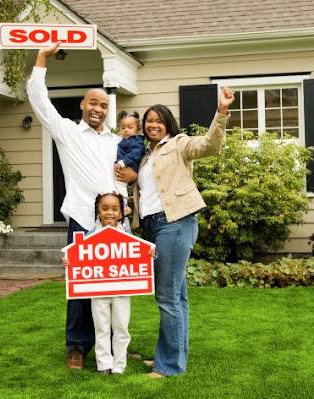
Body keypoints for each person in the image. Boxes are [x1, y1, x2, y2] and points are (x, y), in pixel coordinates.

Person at [26, 43, 137, 370]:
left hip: (117, 224)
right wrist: (42, 58)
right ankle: (77, 346)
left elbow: (126, 178)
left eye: (104, 104)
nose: (99, 109)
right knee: (81, 288)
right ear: (82, 105)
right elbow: (40, 102)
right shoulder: (68, 133)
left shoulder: (117, 142)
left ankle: (118, 351)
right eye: (93, 103)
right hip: (82, 221)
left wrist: (128, 193)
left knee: (117, 289)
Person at [132, 88, 235, 378]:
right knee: (177, 296)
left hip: (175, 222)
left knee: (167, 297)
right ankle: (173, 355)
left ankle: (170, 365)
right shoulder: (145, 156)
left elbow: (209, 146)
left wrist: (222, 113)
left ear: (168, 124)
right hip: (153, 226)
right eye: (148, 121)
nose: (153, 124)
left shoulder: (179, 144)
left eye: (158, 120)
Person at [64, 192, 155, 375]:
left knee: (121, 327)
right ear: (98, 211)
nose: (110, 213)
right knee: (101, 328)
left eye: (114, 209)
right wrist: (69, 261)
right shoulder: (90, 235)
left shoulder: (127, 235)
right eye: (105, 208)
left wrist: (150, 255)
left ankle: (119, 365)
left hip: (122, 293)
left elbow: (140, 253)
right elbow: (78, 255)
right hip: (98, 293)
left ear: (121, 213)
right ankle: (103, 364)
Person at [114, 111, 145, 213]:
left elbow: (136, 154)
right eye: (123, 128)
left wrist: (122, 162)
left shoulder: (136, 140)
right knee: (118, 186)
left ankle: (124, 206)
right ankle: (120, 204)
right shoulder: (124, 140)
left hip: (131, 166)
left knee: (120, 186)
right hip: (124, 165)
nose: (126, 130)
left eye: (130, 127)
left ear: (137, 129)